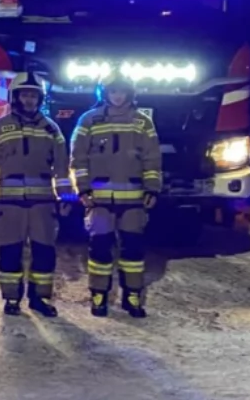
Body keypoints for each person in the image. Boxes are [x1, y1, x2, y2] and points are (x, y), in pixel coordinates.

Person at [0, 72, 73, 317]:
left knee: (44, 252)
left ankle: (39, 299)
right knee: (10, 252)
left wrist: (66, 197)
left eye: (33, 95)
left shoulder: (51, 129)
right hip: (9, 204)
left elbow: (61, 166)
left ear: (39, 98)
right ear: (15, 97)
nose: (29, 100)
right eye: (24, 95)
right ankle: (11, 299)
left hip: (43, 202)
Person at [71, 72, 162, 319]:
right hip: (99, 200)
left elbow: (152, 159)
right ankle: (99, 295)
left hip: (133, 200)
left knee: (133, 251)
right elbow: (78, 159)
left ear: (130, 94)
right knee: (100, 249)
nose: (117, 96)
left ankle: (132, 296)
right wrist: (83, 189)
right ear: (104, 93)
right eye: (113, 91)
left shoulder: (143, 122)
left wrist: (152, 188)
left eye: (121, 92)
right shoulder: (88, 120)